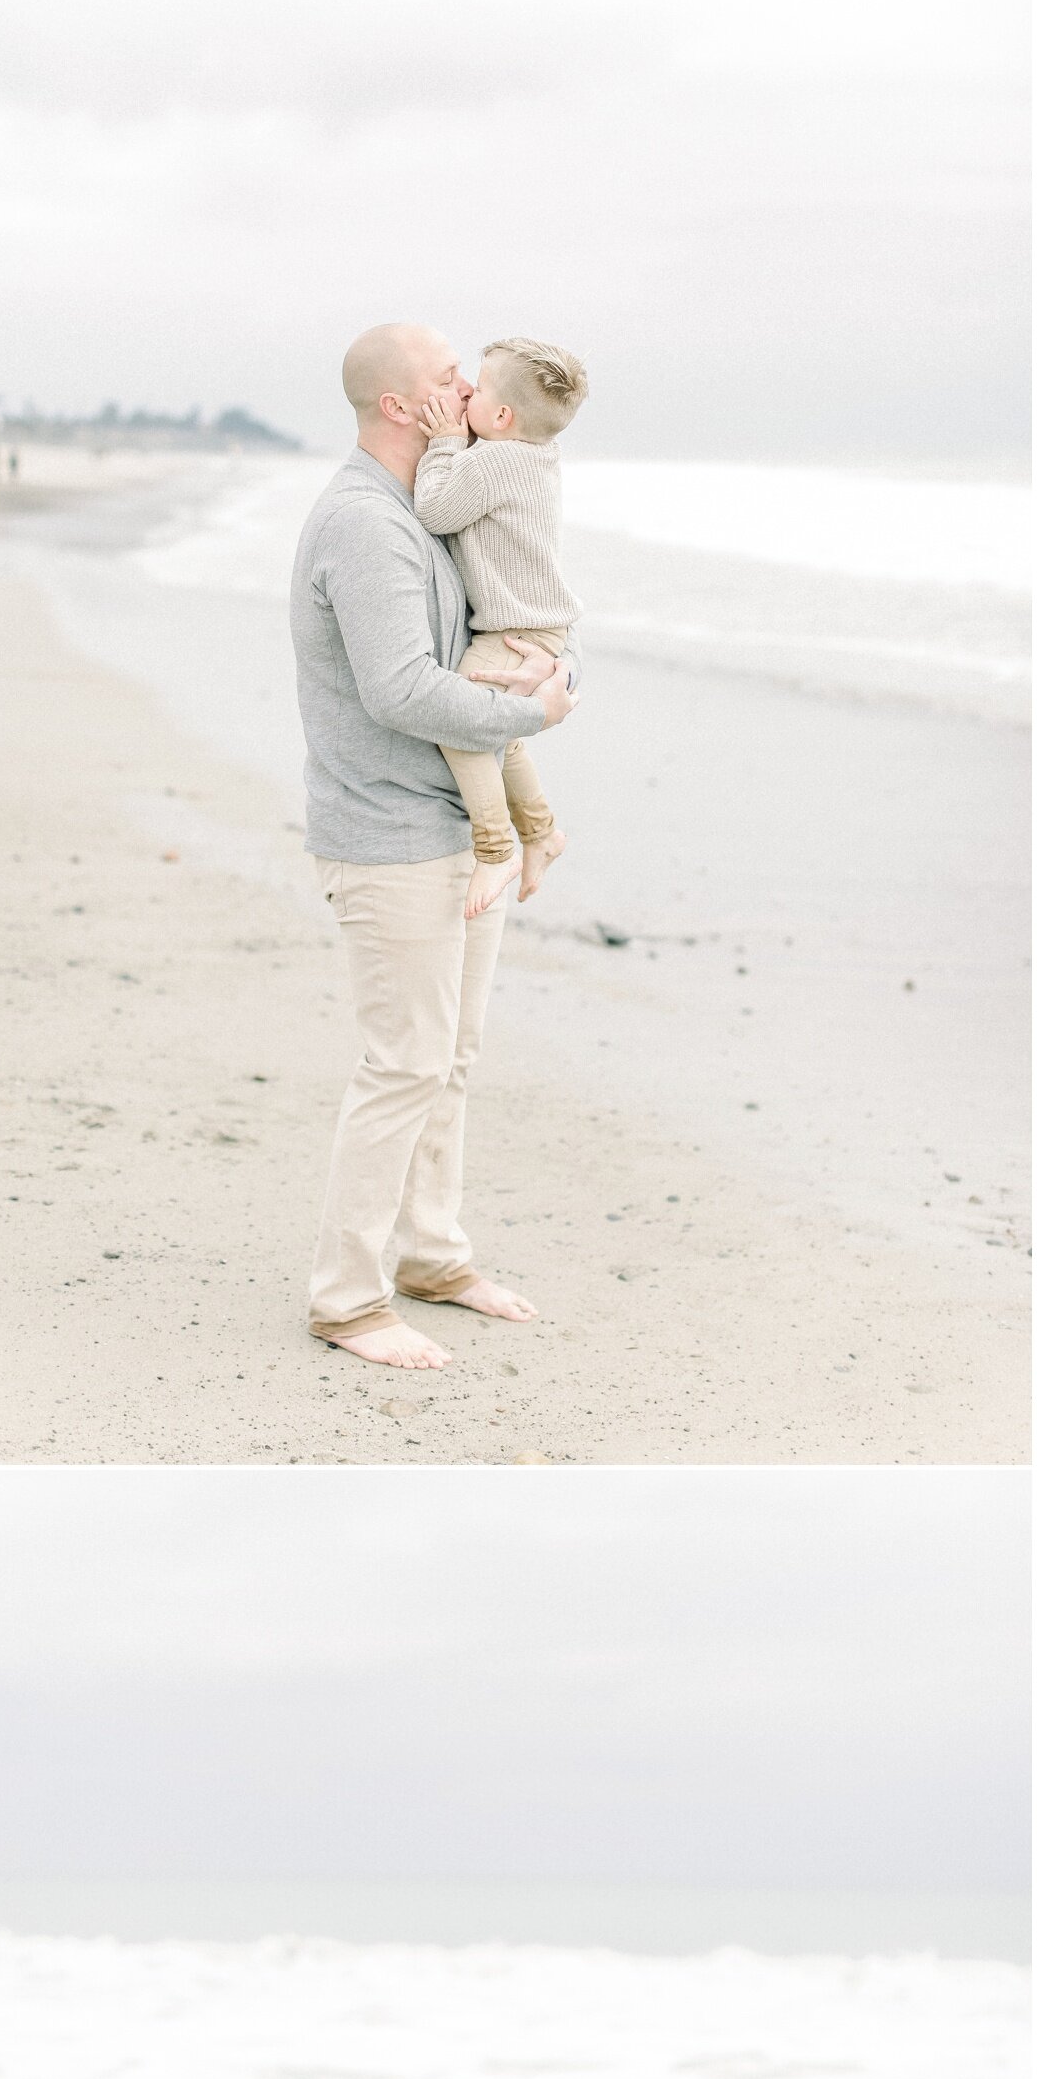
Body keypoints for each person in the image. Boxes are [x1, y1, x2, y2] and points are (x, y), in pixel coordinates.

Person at [291, 325, 576, 1368]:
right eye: (450, 376)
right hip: (389, 836)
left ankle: (432, 1256)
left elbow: (504, 634)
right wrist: (539, 715)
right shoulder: (365, 524)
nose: (469, 384)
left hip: (456, 828)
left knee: (447, 1061)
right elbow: (404, 689)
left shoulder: (429, 513)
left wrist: (556, 680)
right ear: (406, 407)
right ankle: (347, 1297)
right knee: (403, 1062)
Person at [415, 336, 587, 897]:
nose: (467, 395)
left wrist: (443, 442)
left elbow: (437, 510)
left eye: (479, 389)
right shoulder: (536, 452)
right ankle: (542, 833)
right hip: (541, 624)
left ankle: (495, 848)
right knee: (502, 737)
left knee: (460, 723)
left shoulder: (494, 460)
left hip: (516, 627)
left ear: (503, 415)